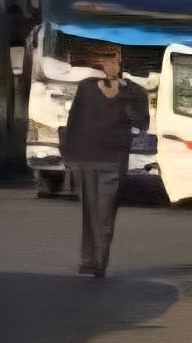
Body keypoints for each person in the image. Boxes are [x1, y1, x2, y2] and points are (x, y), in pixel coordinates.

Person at [59, 46, 147, 277]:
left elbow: (140, 120)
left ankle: (100, 262)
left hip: (112, 161)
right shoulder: (87, 88)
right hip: (84, 158)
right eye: (109, 62)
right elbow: (73, 121)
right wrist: (69, 156)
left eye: (117, 62)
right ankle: (88, 260)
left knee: (105, 213)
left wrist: (123, 92)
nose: (112, 67)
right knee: (89, 211)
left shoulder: (135, 92)